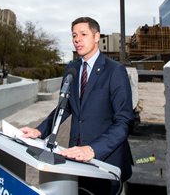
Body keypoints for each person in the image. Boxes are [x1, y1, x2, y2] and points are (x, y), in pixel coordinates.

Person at [20, 17, 134, 194]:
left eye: (83, 34)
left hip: (106, 162)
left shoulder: (115, 71)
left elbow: (124, 121)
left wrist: (93, 149)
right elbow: (64, 107)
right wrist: (40, 131)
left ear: (96, 37)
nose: (77, 39)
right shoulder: (72, 69)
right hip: (76, 160)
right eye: (74, 35)